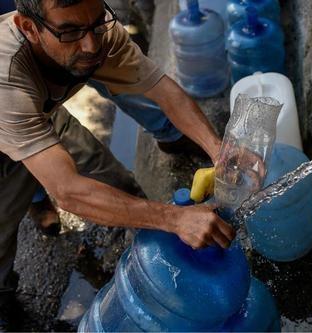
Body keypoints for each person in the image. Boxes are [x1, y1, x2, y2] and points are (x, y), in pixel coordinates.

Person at [0, 0, 233, 329]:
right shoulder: (7, 83)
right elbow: (69, 193)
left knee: (112, 185)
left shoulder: (95, 34)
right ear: (29, 28)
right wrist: (175, 219)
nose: (91, 45)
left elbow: (164, 92)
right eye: (70, 32)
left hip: (39, 113)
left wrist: (219, 150)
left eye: (96, 23)